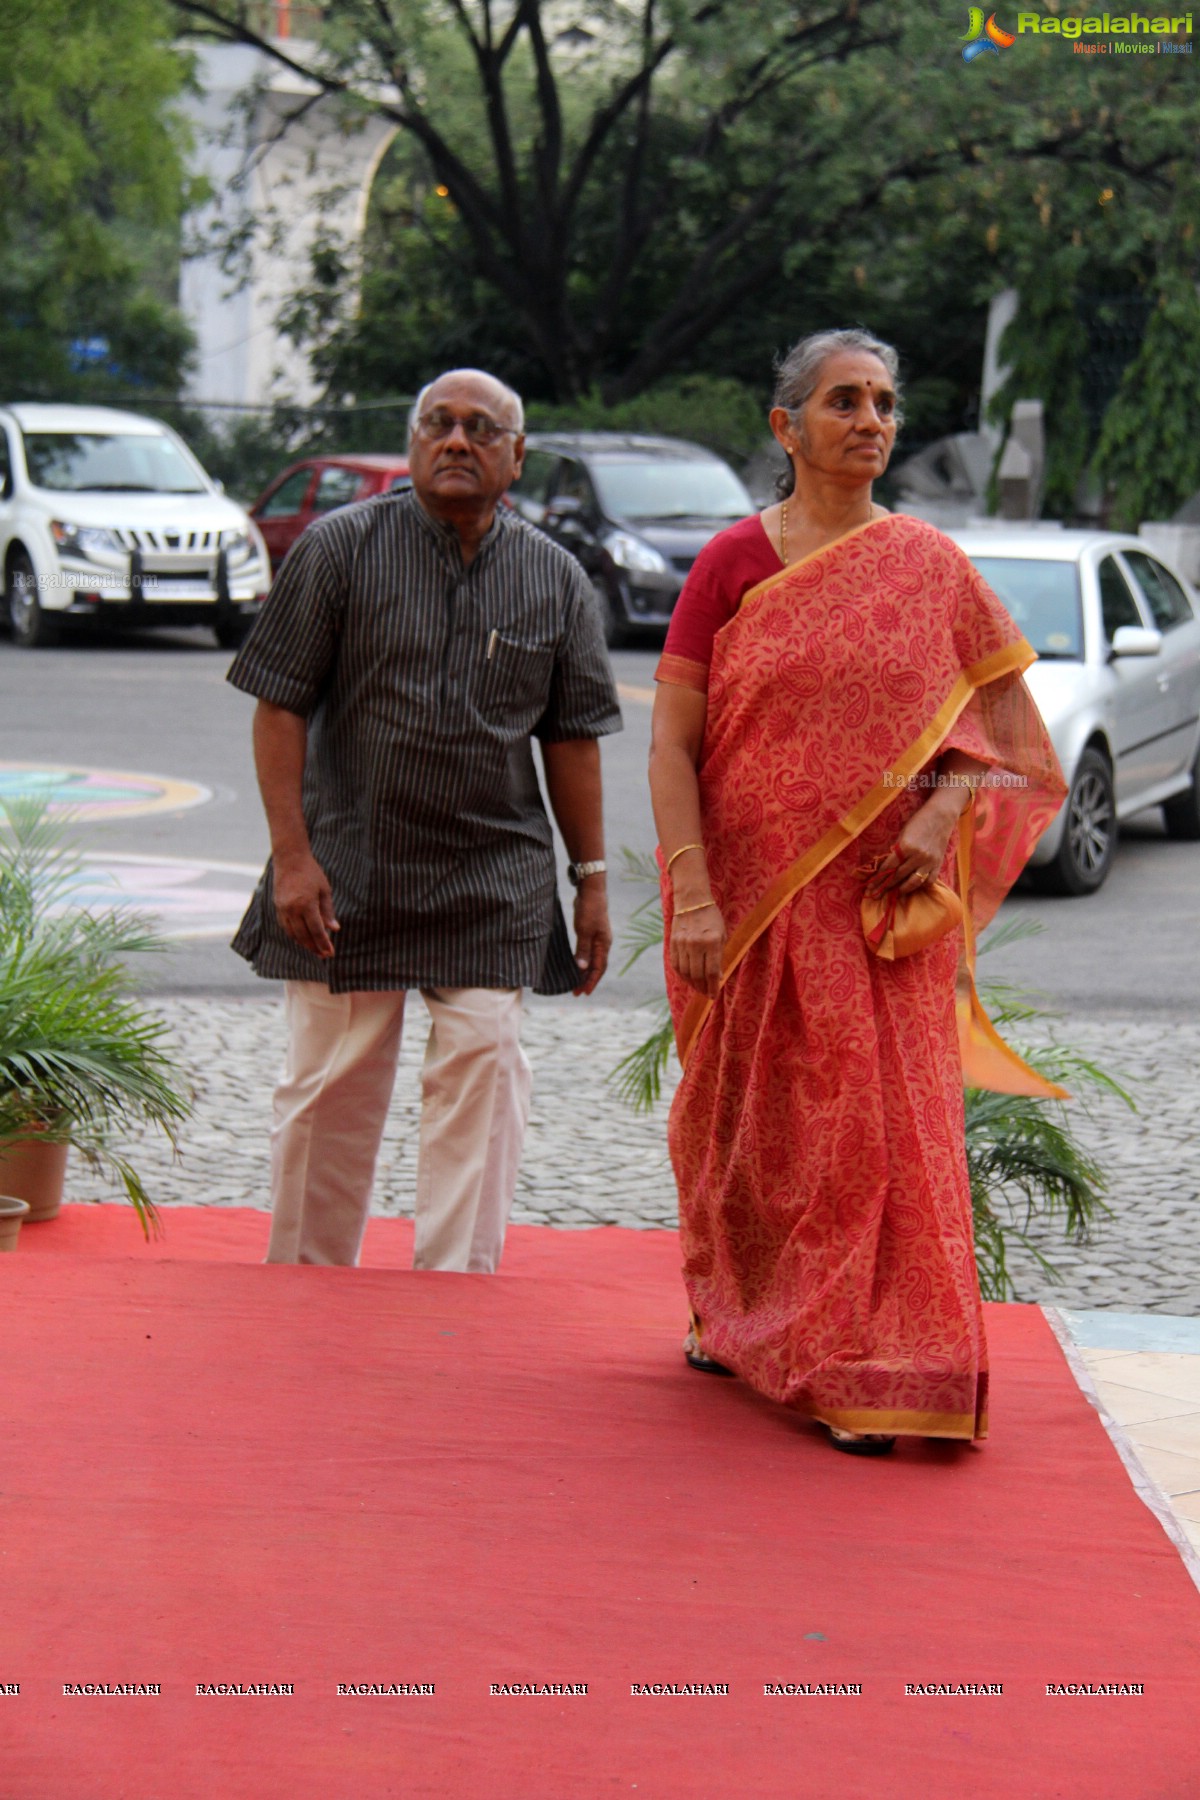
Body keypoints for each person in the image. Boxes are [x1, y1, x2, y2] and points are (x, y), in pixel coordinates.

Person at [647, 328, 1066, 1453]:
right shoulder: (735, 560)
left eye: (884, 400)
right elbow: (673, 743)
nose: (871, 419)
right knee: (746, 1124)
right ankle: (738, 1314)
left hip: (881, 910)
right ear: (787, 427)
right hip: (747, 896)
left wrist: (936, 820)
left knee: (872, 1133)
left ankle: (857, 1356)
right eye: (844, 400)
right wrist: (690, 896)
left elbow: (994, 735)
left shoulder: (927, 565)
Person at [228, 368, 621, 1271]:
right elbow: (278, 705)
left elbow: (571, 741)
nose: (456, 442)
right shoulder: (337, 550)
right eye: (436, 425)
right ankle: (305, 1288)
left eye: (481, 429)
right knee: (332, 1082)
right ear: (411, 445)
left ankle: (453, 1293)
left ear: (516, 458)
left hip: (494, 871)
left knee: (485, 1060)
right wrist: (294, 855)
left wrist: (592, 882)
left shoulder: (556, 579)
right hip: (349, 859)